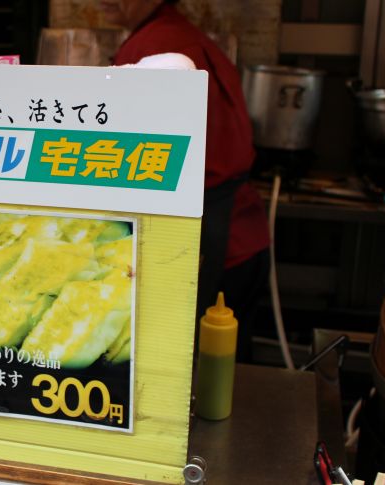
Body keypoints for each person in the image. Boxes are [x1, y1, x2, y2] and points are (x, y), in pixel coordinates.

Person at [99, 0, 270, 362]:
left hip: (210, 245)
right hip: (241, 238)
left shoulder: (157, 48)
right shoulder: (182, 36)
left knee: (193, 371)